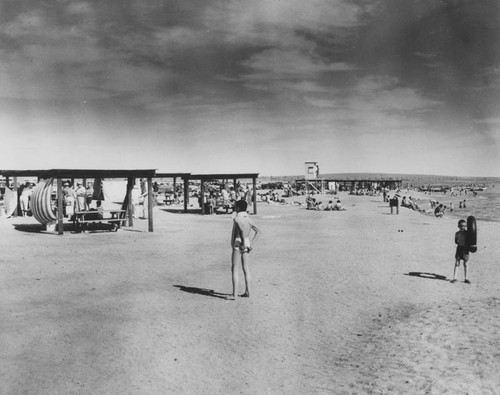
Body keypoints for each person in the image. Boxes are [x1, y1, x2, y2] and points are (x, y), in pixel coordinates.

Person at [229, 199, 261, 300]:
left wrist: (242, 242)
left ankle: (234, 294)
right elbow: (258, 232)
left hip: (239, 242)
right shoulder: (249, 219)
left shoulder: (237, 218)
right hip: (247, 242)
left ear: (238, 208)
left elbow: (241, 231)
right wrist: (251, 244)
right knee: (246, 268)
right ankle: (248, 291)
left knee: (234, 268)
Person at [451, 219, 470, 284]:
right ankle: (454, 278)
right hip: (459, 248)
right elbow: (456, 241)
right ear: (458, 226)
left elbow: (472, 240)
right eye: (461, 226)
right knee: (457, 263)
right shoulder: (457, 233)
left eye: (464, 226)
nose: (463, 227)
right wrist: (460, 243)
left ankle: (466, 278)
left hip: (466, 249)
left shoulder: (467, 233)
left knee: (465, 264)